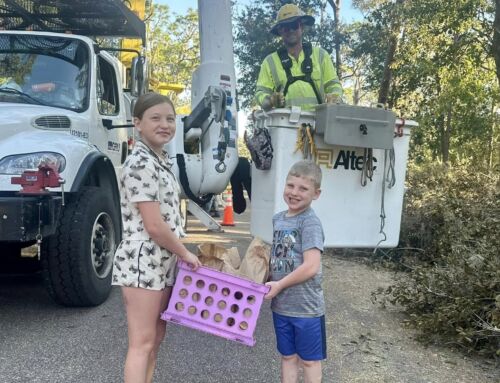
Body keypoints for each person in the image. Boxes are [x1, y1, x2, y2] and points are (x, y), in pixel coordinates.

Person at [112, 92, 201, 383]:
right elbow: (153, 224)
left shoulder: (159, 160)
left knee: (156, 336)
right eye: (155, 118)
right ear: (137, 123)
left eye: (170, 119)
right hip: (143, 258)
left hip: (162, 257)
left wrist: (177, 254)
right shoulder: (140, 163)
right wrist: (186, 253)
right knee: (142, 342)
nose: (165, 124)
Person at [265, 160, 326, 383]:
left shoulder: (309, 223)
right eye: (290, 186)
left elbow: (311, 266)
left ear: (316, 194)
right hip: (282, 305)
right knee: (287, 356)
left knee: (309, 360)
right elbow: (278, 259)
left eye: (303, 188)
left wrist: (280, 285)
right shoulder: (278, 219)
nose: (294, 192)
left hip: (306, 308)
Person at [255, 3, 342, 112]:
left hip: (319, 124)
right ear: (280, 31)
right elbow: (260, 93)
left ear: (301, 27)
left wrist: (335, 96)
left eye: (294, 25)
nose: (291, 30)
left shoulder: (321, 55)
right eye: (286, 27)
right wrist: (270, 100)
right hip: (284, 125)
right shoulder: (269, 62)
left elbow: (333, 85)